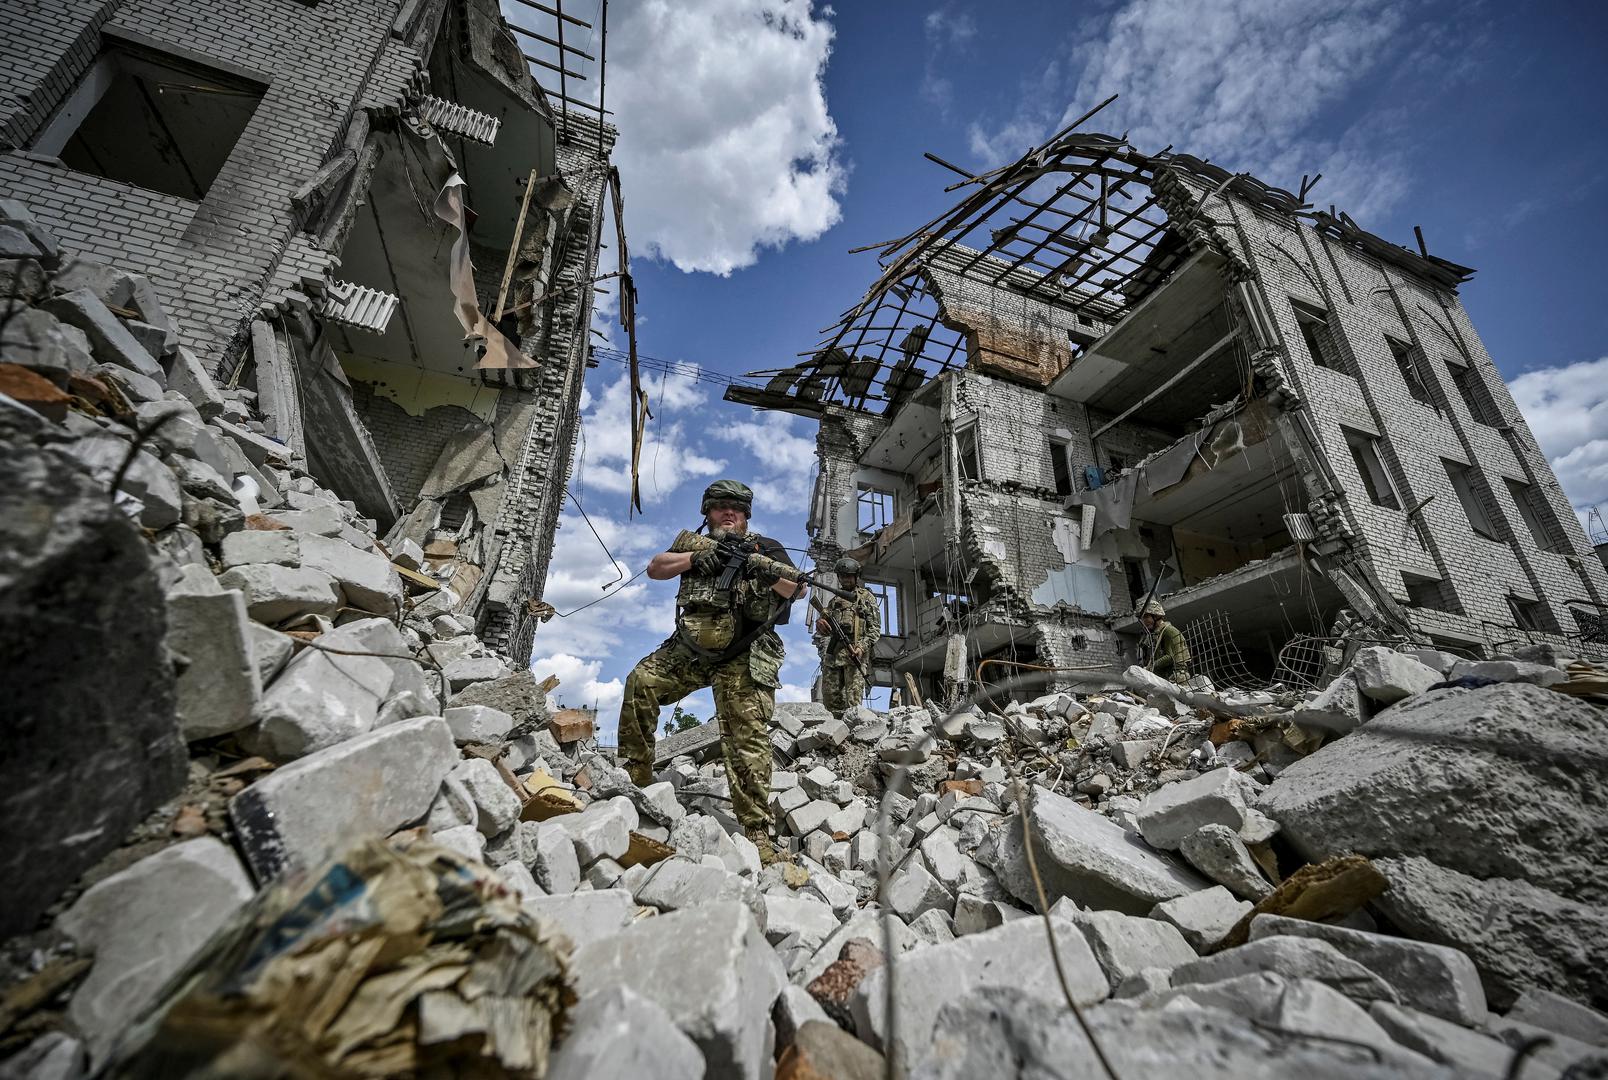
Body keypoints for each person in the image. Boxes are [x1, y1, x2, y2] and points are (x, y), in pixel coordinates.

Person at [615, 479, 804, 864]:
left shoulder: (765, 547)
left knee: (747, 736)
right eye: (720, 507)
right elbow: (655, 567)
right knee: (641, 682)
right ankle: (636, 781)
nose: (728, 513)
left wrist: (761, 568)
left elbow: (797, 589)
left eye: (736, 508)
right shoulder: (694, 543)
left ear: (747, 515)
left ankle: (756, 831)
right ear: (708, 511)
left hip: (743, 653)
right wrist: (694, 560)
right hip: (692, 648)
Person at [815, 556, 882, 717]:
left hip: (854, 656)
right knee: (830, 702)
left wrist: (861, 647)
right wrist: (821, 625)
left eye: (848, 576)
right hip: (833, 657)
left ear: (856, 576)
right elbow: (825, 629)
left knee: (853, 706)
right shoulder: (834, 601)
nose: (845, 579)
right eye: (842, 576)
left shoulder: (866, 598)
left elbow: (875, 629)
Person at [1138, 599, 1191, 684]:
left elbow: (1171, 657)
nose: (1144, 621)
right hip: (1164, 678)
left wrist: (1150, 667)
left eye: (1146, 617)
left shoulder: (1169, 631)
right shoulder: (1155, 635)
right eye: (1142, 618)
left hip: (1176, 678)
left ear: (1156, 616)